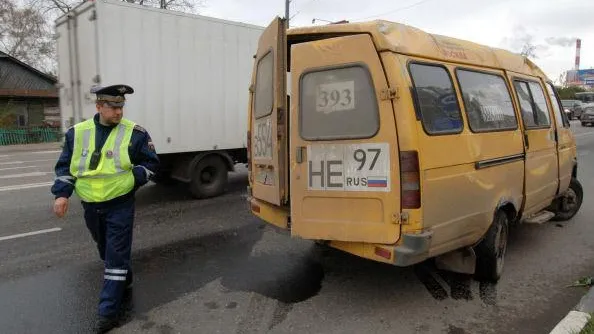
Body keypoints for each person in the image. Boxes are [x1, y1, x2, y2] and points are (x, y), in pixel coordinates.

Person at [51, 84, 159, 333]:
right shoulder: (76, 133)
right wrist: (62, 195)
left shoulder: (135, 133)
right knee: (105, 250)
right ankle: (124, 276)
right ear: (99, 106)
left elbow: (152, 163)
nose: (119, 112)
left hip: (120, 204)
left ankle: (107, 313)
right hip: (91, 206)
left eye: (121, 107)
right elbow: (65, 167)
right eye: (113, 107)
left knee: (115, 256)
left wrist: (134, 180)